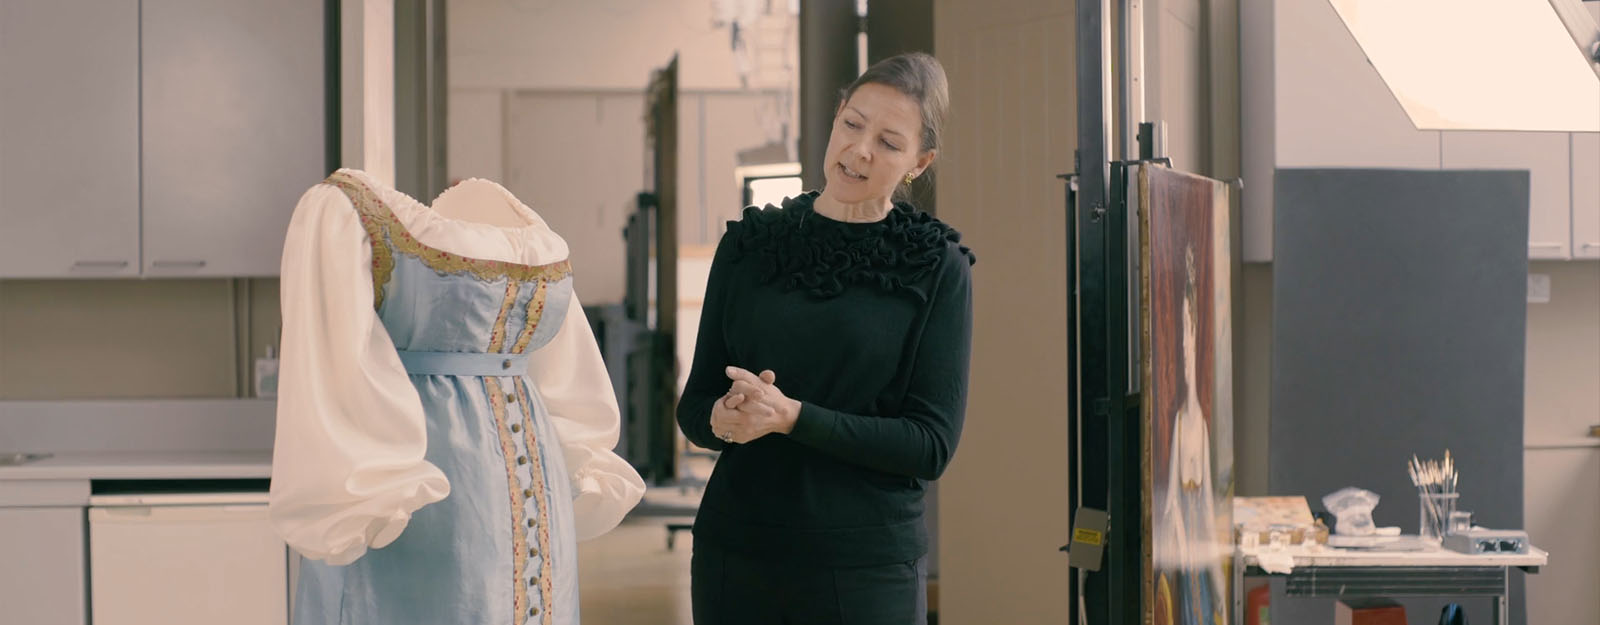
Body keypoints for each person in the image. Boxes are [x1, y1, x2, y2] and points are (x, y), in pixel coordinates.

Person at [676, 52, 975, 625]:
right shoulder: (748, 244)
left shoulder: (937, 264)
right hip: (735, 553)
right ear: (836, 117)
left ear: (920, 161)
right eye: (853, 124)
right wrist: (723, 416)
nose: (861, 149)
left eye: (889, 142)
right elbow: (694, 408)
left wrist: (792, 417)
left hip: (865, 569)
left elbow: (930, 445)